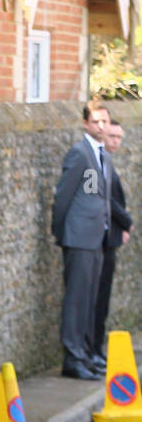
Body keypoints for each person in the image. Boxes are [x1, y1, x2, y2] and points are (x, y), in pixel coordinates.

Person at [52, 100, 112, 379]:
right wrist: (61, 232)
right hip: (78, 238)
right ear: (86, 124)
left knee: (89, 300)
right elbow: (63, 196)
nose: (101, 126)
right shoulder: (79, 153)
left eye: (105, 121)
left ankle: (86, 356)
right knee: (76, 300)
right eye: (96, 121)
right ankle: (73, 360)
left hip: (97, 238)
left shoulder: (103, 155)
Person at [92, 118, 132, 371]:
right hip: (101, 241)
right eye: (112, 137)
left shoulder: (107, 163)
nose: (115, 142)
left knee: (103, 299)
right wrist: (127, 221)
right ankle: (93, 350)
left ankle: (97, 349)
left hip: (111, 238)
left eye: (119, 137)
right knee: (96, 300)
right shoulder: (98, 163)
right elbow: (104, 200)